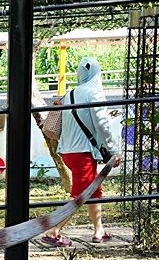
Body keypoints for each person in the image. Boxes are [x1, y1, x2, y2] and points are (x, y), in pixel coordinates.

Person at [41, 57, 122, 247]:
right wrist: (112, 150)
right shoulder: (94, 94)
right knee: (79, 196)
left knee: (94, 191)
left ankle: (98, 230)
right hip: (82, 152)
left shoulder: (70, 94)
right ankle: (53, 232)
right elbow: (102, 125)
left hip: (68, 152)